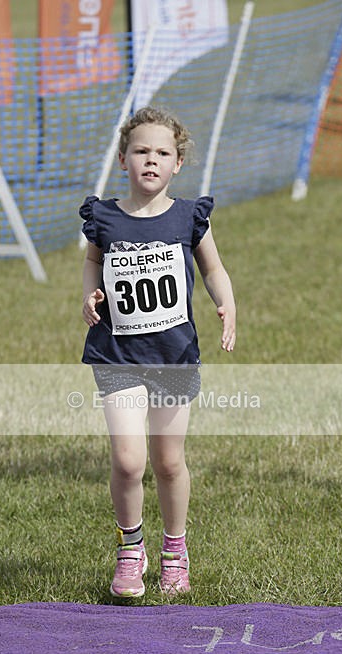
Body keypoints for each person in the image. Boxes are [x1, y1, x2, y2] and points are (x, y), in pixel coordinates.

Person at [80, 106, 236, 600]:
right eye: (141, 151)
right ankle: (131, 550)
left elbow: (212, 270)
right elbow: (92, 260)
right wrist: (89, 294)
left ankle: (175, 551)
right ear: (123, 159)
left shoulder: (190, 216)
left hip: (174, 355)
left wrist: (226, 303)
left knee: (168, 462)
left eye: (162, 152)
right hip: (117, 357)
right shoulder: (103, 216)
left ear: (178, 163)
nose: (151, 160)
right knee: (128, 461)